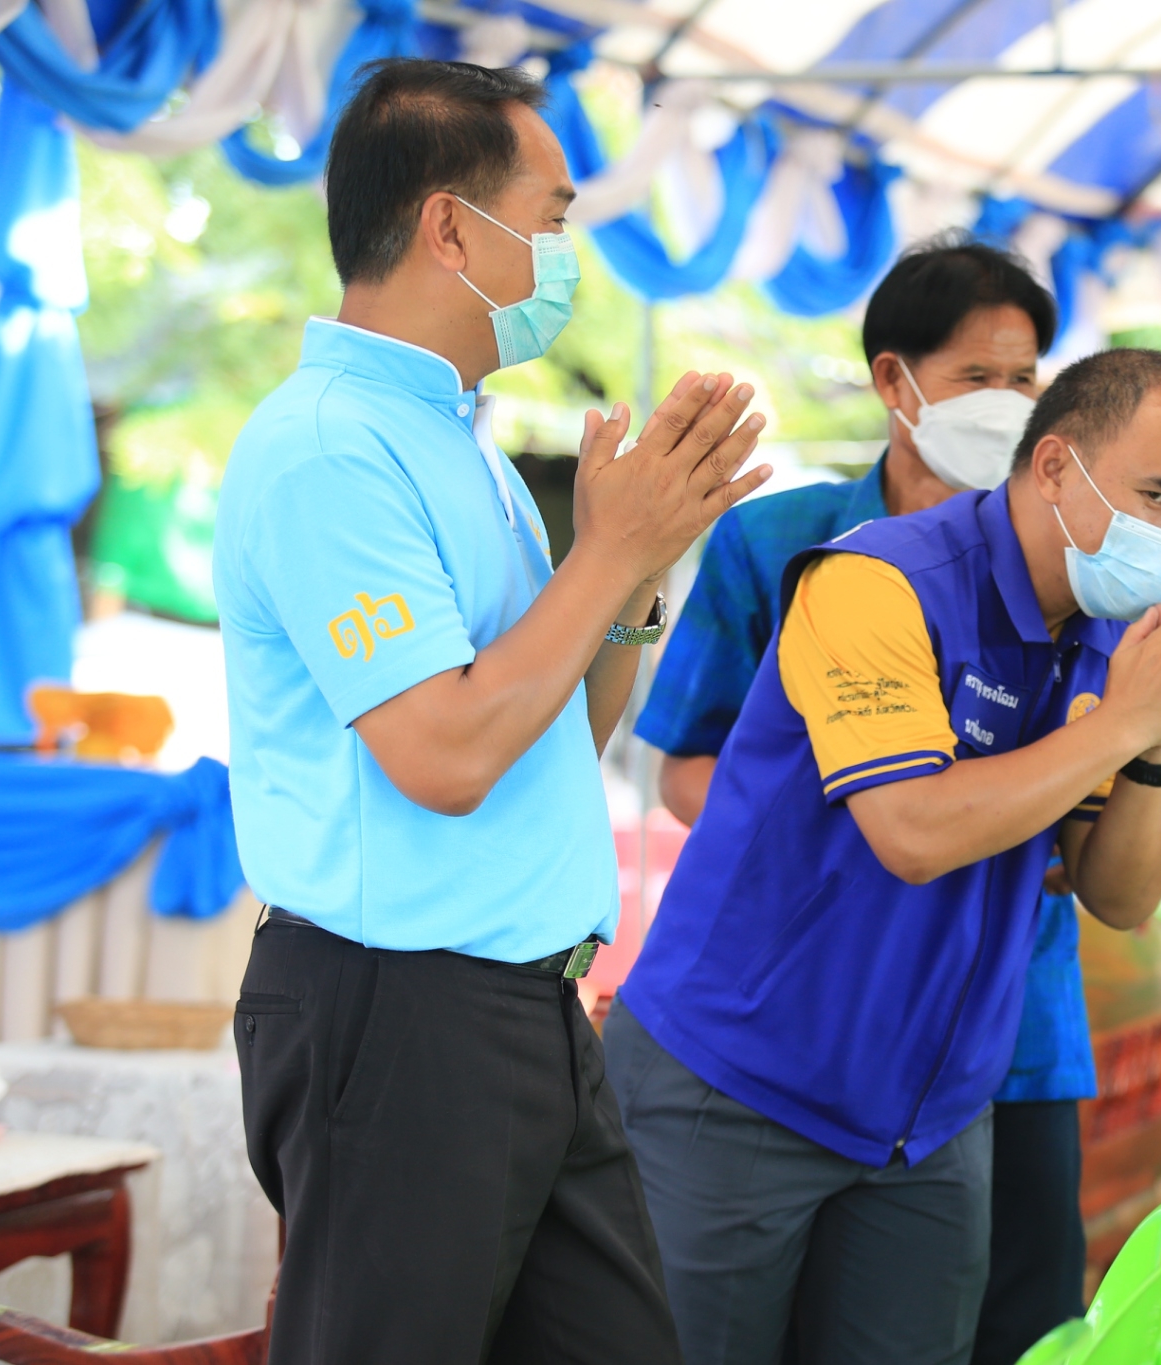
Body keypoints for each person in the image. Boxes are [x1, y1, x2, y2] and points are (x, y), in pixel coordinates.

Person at [213, 60, 769, 1363]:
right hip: (396, 1015)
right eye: (553, 217)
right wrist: (603, 553)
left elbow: (555, 736)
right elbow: (446, 756)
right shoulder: (327, 448)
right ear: (450, 228)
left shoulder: (463, 444)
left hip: (525, 1009)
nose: (567, 254)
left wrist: (634, 574)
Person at [606, 348, 1161, 1365]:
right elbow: (911, 833)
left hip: (932, 1116)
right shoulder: (878, 581)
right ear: (1055, 466)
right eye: (1157, 497)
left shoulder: (1112, 634)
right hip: (737, 1081)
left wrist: (1154, 749)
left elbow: (1121, 894)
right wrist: (1125, 721)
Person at [632, 238, 1093, 1363]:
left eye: (1025, 378)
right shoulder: (784, 545)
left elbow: (1107, 837)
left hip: (1006, 1025)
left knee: (1009, 1323)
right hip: (801, 1013)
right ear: (895, 381)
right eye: (977, 376)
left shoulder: (1081, 573)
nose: (1008, 403)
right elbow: (688, 764)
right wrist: (859, 823)